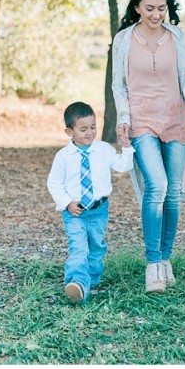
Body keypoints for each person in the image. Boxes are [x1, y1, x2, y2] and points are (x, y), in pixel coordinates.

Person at [112, 0, 185, 293]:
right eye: (150, 8)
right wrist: (123, 119)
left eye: (162, 8)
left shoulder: (178, 37)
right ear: (137, 8)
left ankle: (166, 258)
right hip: (142, 120)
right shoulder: (123, 39)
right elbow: (119, 85)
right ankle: (153, 263)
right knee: (158, 186)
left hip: (176, 119)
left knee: (174, 190)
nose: (156, 14)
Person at [47, 101, 135, 304]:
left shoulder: (103, 150)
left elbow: (123, 166)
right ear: (69, 131)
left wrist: (127, 147)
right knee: (78, 248)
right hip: (74, 212)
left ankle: (92, 282)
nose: (89, 133)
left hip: (98, 210)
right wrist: (67, 202)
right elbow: (54, 182)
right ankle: (77, 283)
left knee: (96, 247)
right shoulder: (63, 157)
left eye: (93, 127)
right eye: (83, 129)